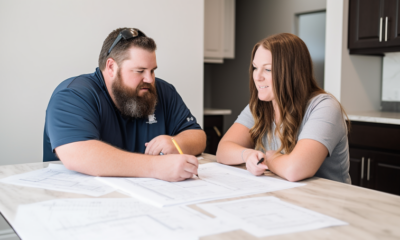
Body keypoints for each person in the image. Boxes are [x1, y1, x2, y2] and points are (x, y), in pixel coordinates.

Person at [43, 28, 206, 182]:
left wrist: (176, 144)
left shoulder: (162, 91)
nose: (149, 79)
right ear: (111, 67)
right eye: (140, 71)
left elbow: (198, 136)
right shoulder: (72, 95)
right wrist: (156, 167)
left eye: (152, 70)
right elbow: (76, 154)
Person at [216, 33, 351, 184]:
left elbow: (295, 170)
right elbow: (222, 150)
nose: (257, 77)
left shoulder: (325, 107)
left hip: (328, 203)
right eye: (255, 68)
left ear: (292, 73)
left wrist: (268, 158)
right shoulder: (260, 106)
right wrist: (247, 155)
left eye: (267, 70)